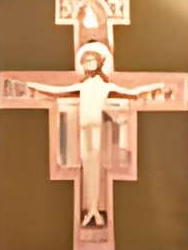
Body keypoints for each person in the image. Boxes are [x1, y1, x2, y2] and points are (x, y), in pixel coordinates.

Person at [13, 39, 171, 229]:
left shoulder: (105, 86)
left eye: (92, 60)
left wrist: (155, 87)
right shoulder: (82, 86)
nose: (88, 63)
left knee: (94, 168)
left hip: (96, 130)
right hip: (82, 130)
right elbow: (56, 91)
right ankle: (91, 210)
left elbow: (132, 93)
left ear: (99, 63)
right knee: (87, 168)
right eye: (85, 61)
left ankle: (94, 209)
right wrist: (32, 86)